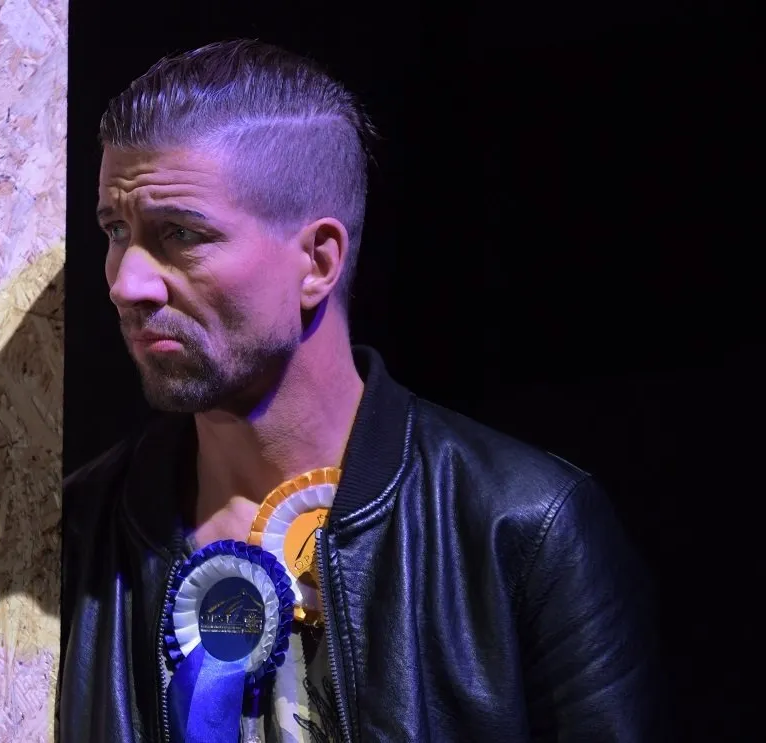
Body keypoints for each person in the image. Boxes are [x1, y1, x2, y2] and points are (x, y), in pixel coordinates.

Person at [58, 38, 665, 743]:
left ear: (318, 261)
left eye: (182, 234)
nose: (127, 282)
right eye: (116, 230)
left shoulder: (525, 529)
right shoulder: (75, 535)